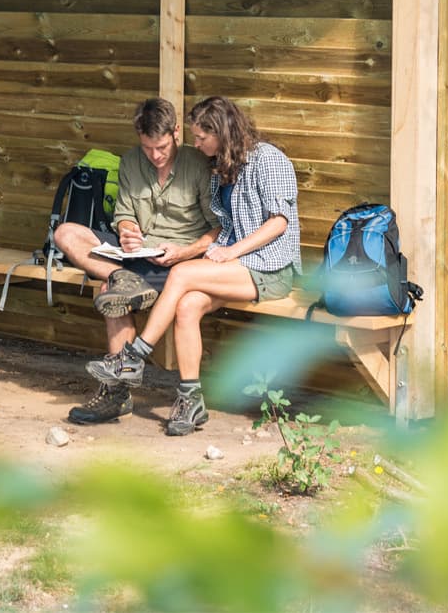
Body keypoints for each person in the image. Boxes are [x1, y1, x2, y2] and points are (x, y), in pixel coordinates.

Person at [83, 96, 302, 437]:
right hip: (233, 266)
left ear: (221, 132)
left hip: (269, 267)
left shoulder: (268, 159)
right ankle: (191, 401)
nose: (196, 144)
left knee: (182, 273)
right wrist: (202, 250)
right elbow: (223, 225)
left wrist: (231, 251)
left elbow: (279, 222)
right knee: (187, 305)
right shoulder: (222, 168)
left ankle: (134, 356)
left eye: (201, 137)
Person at [55, 97, 216, 426]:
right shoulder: (130, 161)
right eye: (147, 148)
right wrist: (128, 232)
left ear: (176, 133)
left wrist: (184, 252)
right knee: (66, 233)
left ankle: (118, 393)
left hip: (180, 260)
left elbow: (218, 228)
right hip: (138, 254)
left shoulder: (199, 163)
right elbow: (124, 214)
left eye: (161, 147)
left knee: (109, 293)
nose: (155, 156)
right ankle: (121, 277)